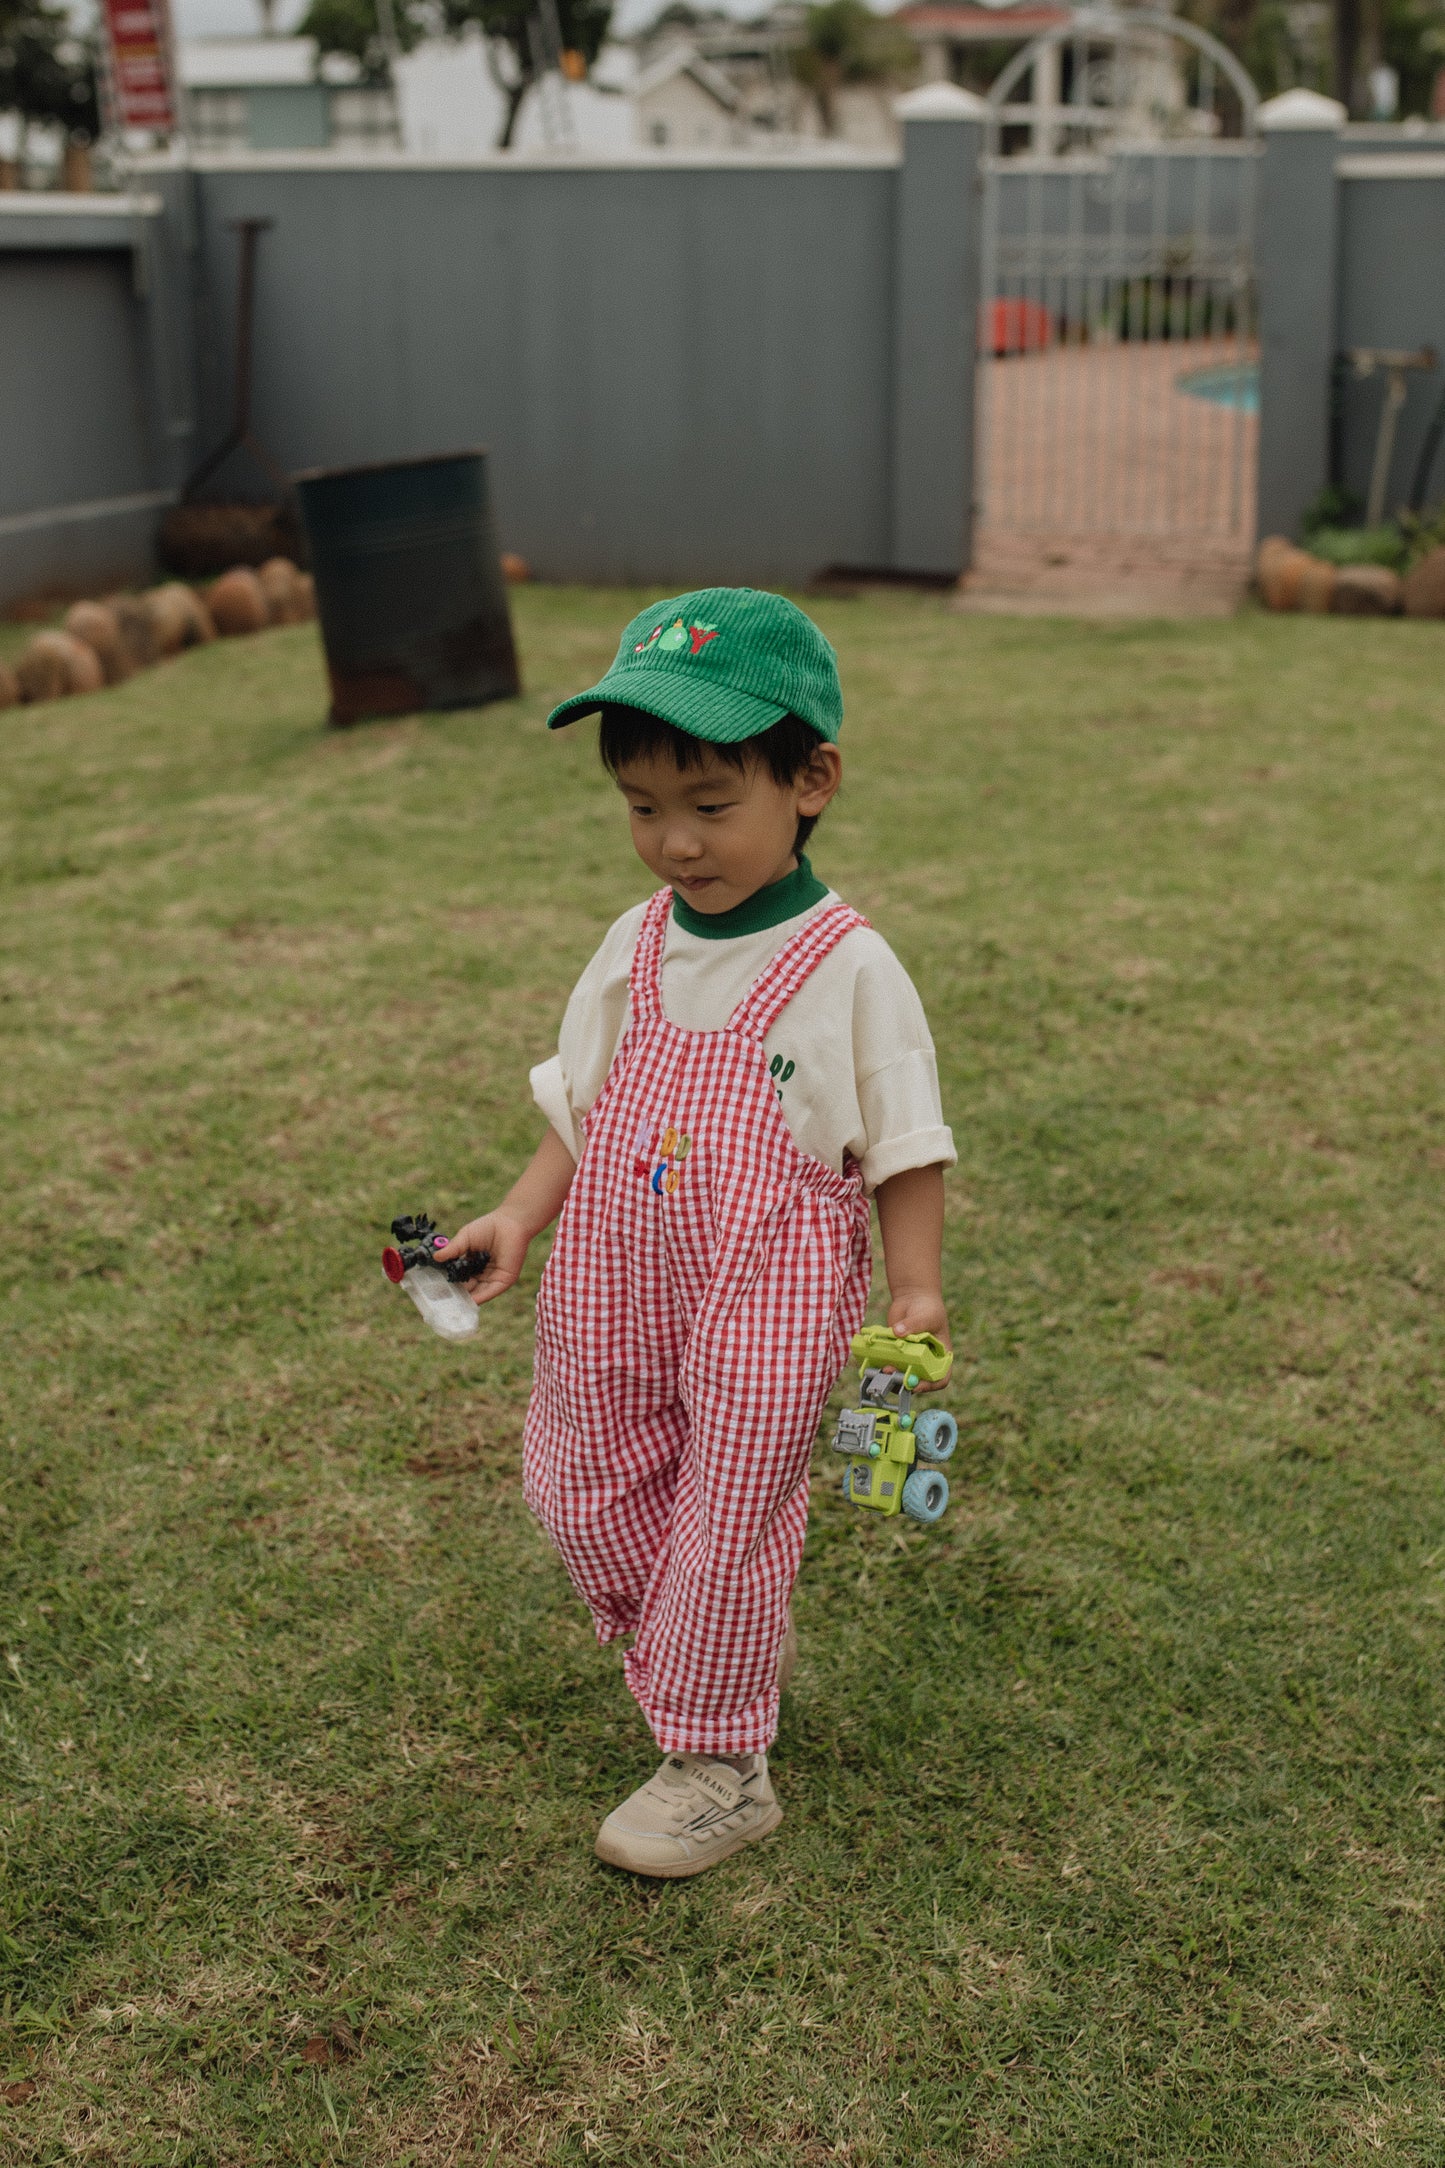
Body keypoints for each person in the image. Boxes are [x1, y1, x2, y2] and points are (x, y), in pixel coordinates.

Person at [438, 587, 954, 1878]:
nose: (673, 843)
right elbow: (583, 1098)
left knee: (731, 1507)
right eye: (641, 807)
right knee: (580, 1480)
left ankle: (720, 1761)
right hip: (619, 1265)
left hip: (767, 1285)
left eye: (710, 805)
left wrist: (916, 1291)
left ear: (811, 779)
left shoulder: (848, 965)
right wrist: (516, 1212)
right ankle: (696, 1643)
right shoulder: (633, 943)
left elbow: (903, 1140)